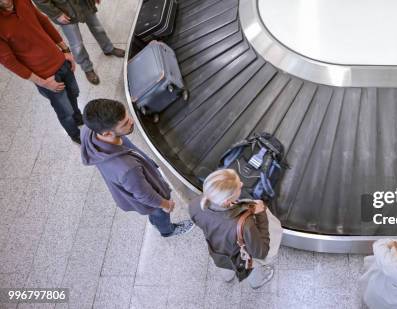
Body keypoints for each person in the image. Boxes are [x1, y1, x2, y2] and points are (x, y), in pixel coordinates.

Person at [80, 98, 193, 237]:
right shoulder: (127, 169)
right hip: (148, 197)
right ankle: (167, 231)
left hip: (131, 182)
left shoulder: (89, 131)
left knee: (155, 212)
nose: (132, 121)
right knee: (160, 214)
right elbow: (145, 195)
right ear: (107, 133)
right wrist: (165, 204)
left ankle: (156, 221)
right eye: (125, 123)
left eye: (128, 116)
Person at [0, 0, 83, 144]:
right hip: (46, 76)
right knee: (64, 110)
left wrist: (65, 50)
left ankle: (78, 116)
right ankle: (74, 133)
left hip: (60, 61)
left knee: (74, 92)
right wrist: (43, 82)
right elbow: (9, 61)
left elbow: (43, 22)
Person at [189, 169, 282, 289]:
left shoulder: (194, 205)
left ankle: (228, 276)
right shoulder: (244, 224)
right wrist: (261, 215)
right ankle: (256, 282)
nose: (242, 184)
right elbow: (261, 252)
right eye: (238, 187)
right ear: (227, 201)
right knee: (251, 268)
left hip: (217, 253)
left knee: (225, 266)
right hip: (238, 256)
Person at [33, 0, 125, 85]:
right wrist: (56, 14)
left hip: (84, 4)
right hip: (64, 10)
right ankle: (87, 67)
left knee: (98, 29)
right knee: (77, 44)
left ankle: (108, 48)